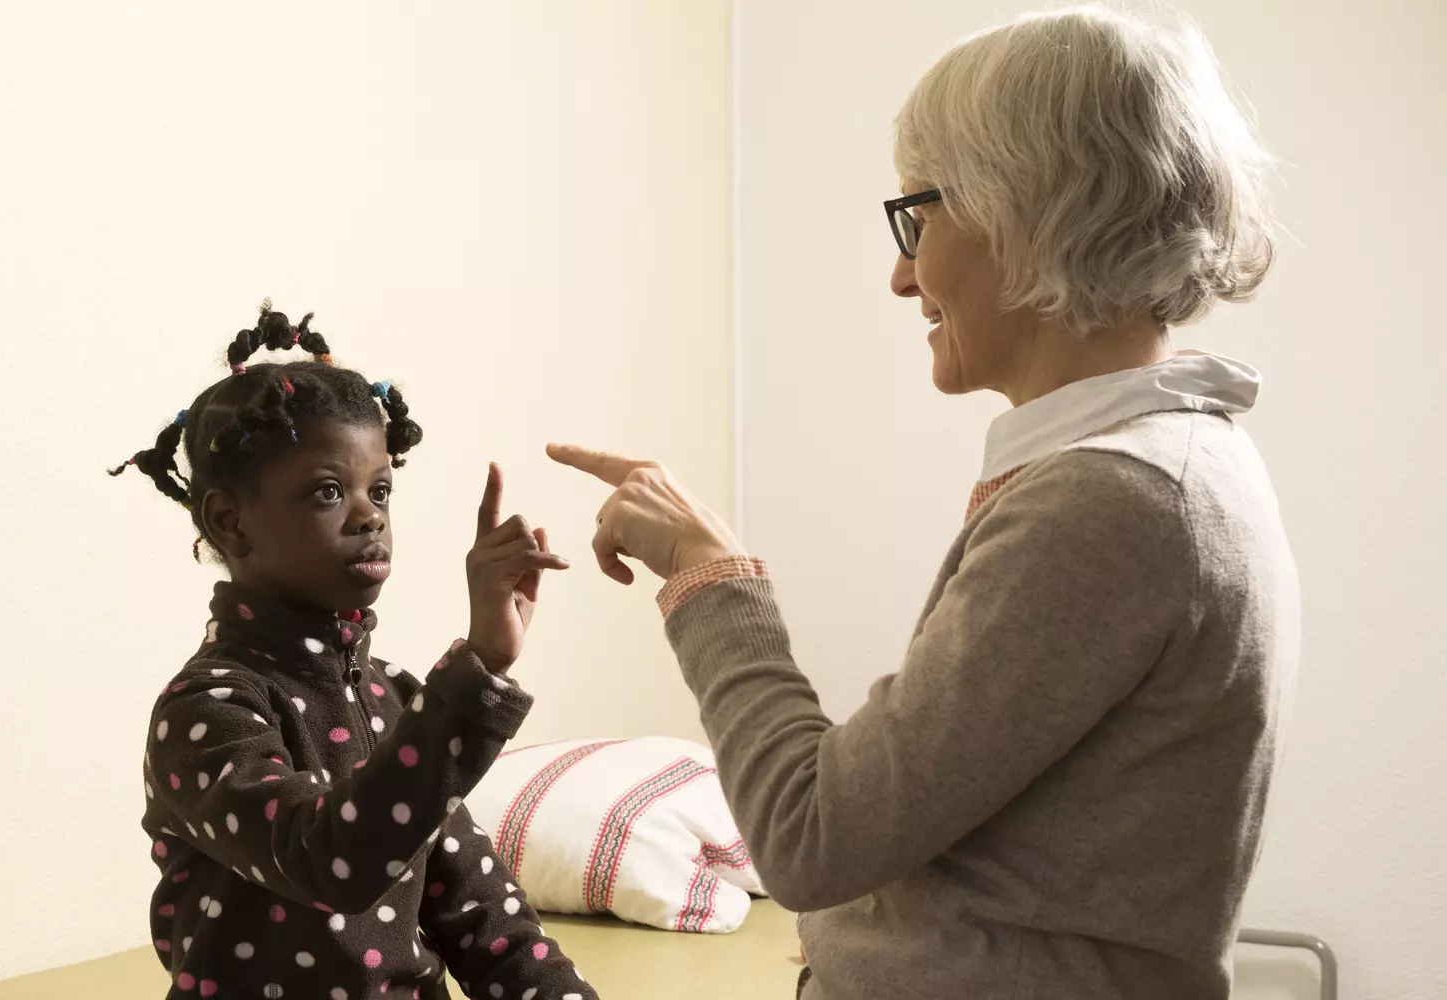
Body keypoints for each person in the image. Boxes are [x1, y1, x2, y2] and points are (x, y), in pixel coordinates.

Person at [550, 8, 1297, 1000]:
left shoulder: (1116, 502)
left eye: (918, 217)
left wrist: (706, 573)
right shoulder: (1175, 467)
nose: (902, 274)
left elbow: (811, 839)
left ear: (1033, 210)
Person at [112, 301, 597, 1000]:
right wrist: (479, 668)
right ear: (230, 521)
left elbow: (486, 920)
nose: (370, 515)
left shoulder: (399, 700)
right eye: (329, 491)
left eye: (381, 490)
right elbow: (331, 861)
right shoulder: (204, 711)